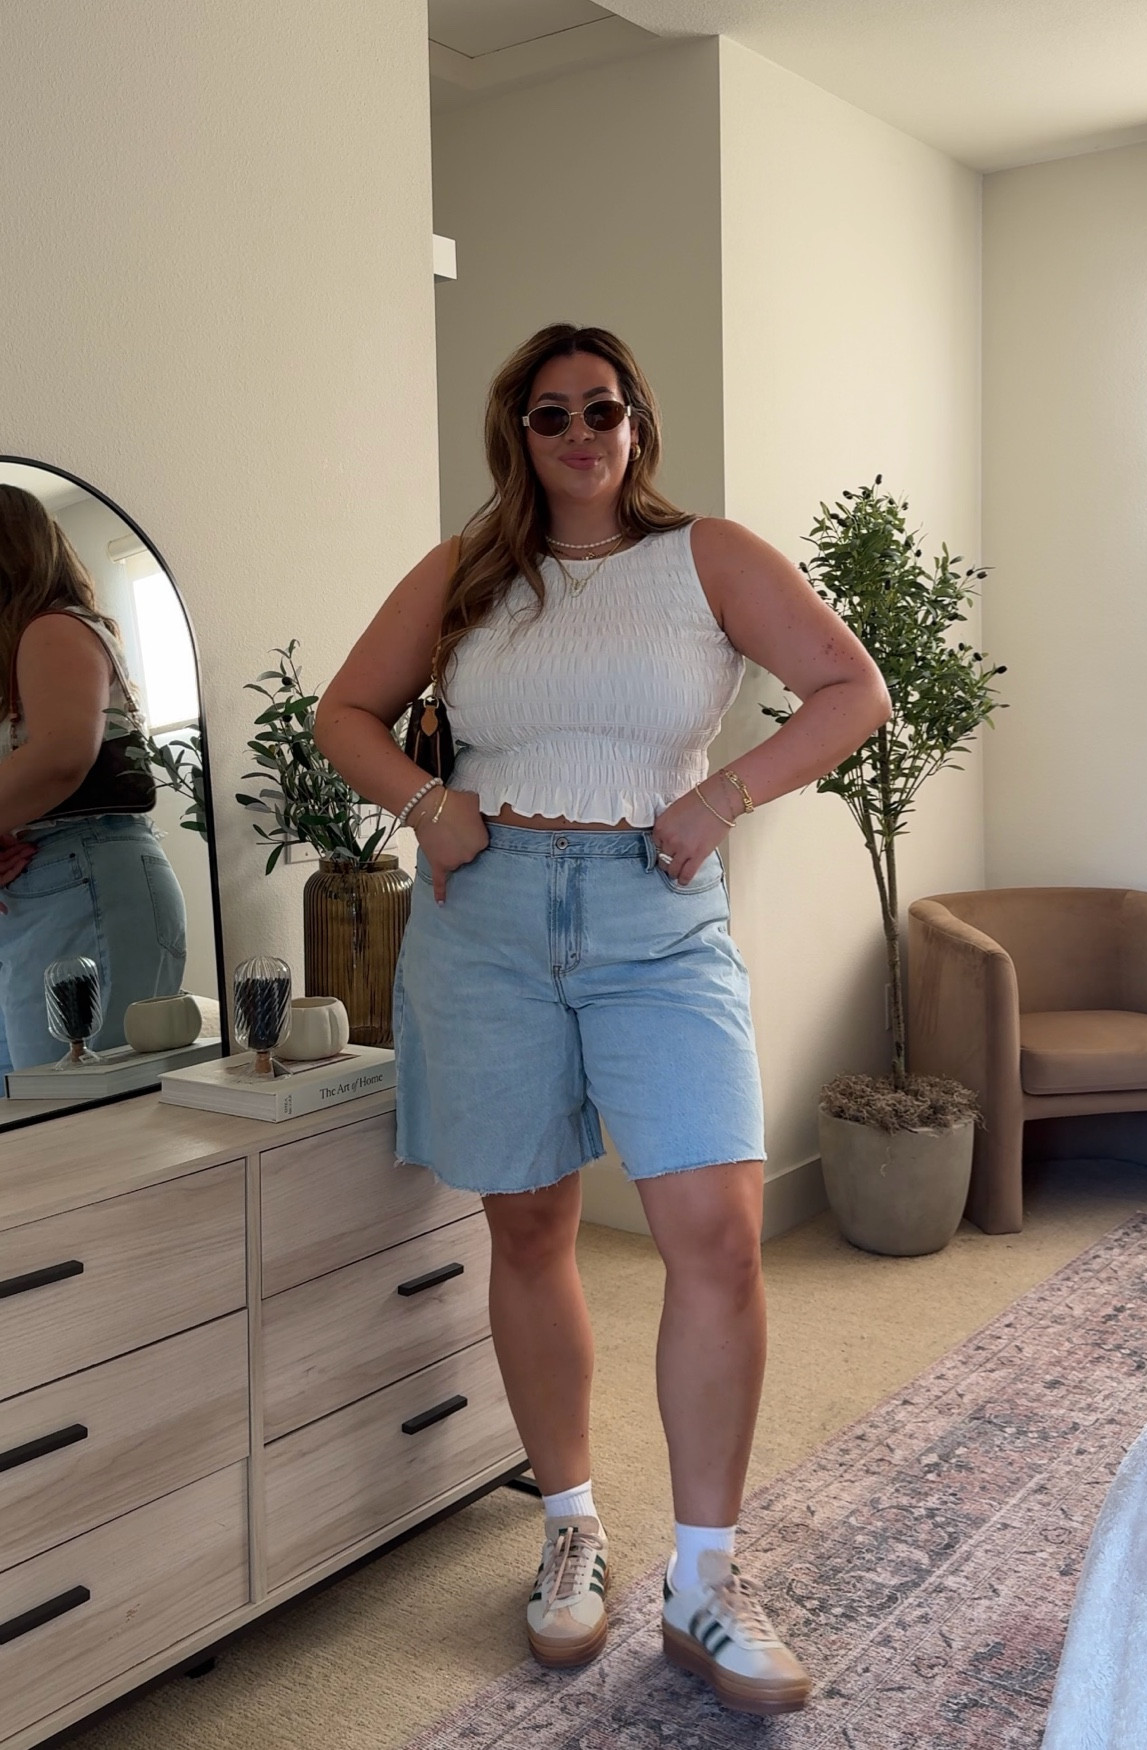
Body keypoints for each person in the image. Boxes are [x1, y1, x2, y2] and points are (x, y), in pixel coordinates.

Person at [315, 323, 891, 1717]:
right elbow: (346, 713)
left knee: (717, 1232)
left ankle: (706, 1577)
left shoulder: (708, 557)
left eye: (602, 408)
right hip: (487, 919)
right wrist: (427, 803)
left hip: (655, 912)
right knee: (529, 1227)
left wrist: (723, 795)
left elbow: (852, 691)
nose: (579, 433)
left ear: (637, 423)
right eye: (550, 414)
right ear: (516, 433)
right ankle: (568, 1523)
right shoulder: (467, 570)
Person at [0, 486, 186, 1077]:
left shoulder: (52, 629)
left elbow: (61, 757)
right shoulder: (41, 639)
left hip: (78, 874)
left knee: (69, 1108)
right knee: (45, 1107)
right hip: (57, 879)